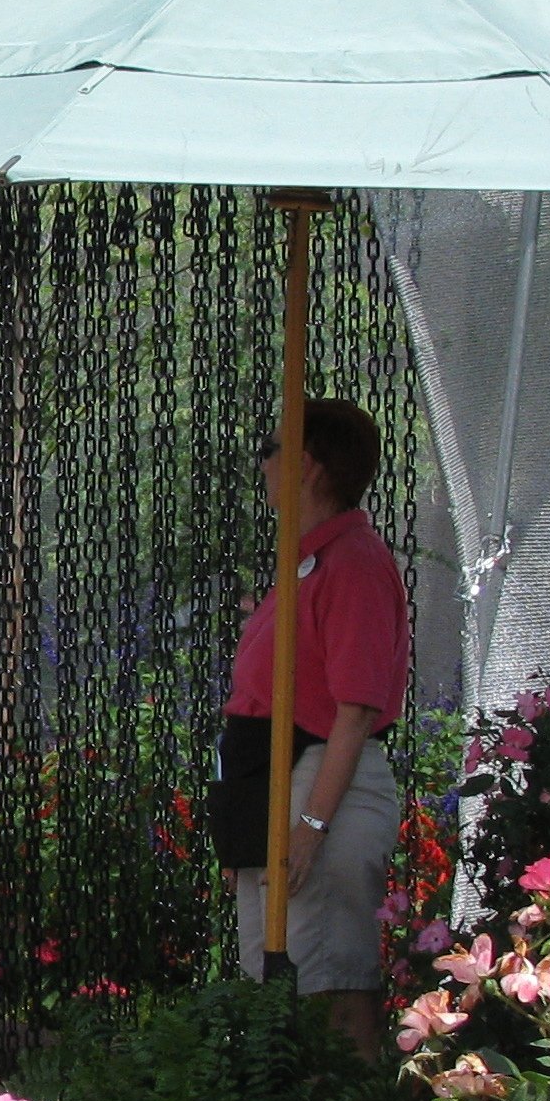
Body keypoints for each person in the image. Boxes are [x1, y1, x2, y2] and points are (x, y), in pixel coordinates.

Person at [221, 397, 409, 1050]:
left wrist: (312, 826)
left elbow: (354, 709)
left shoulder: (351, 563)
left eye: (268, 451)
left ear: (307, 465)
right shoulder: (307, 563)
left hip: (320, 779)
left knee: (327, 979)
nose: (262, 466)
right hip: (278, 779)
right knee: (277, 981)